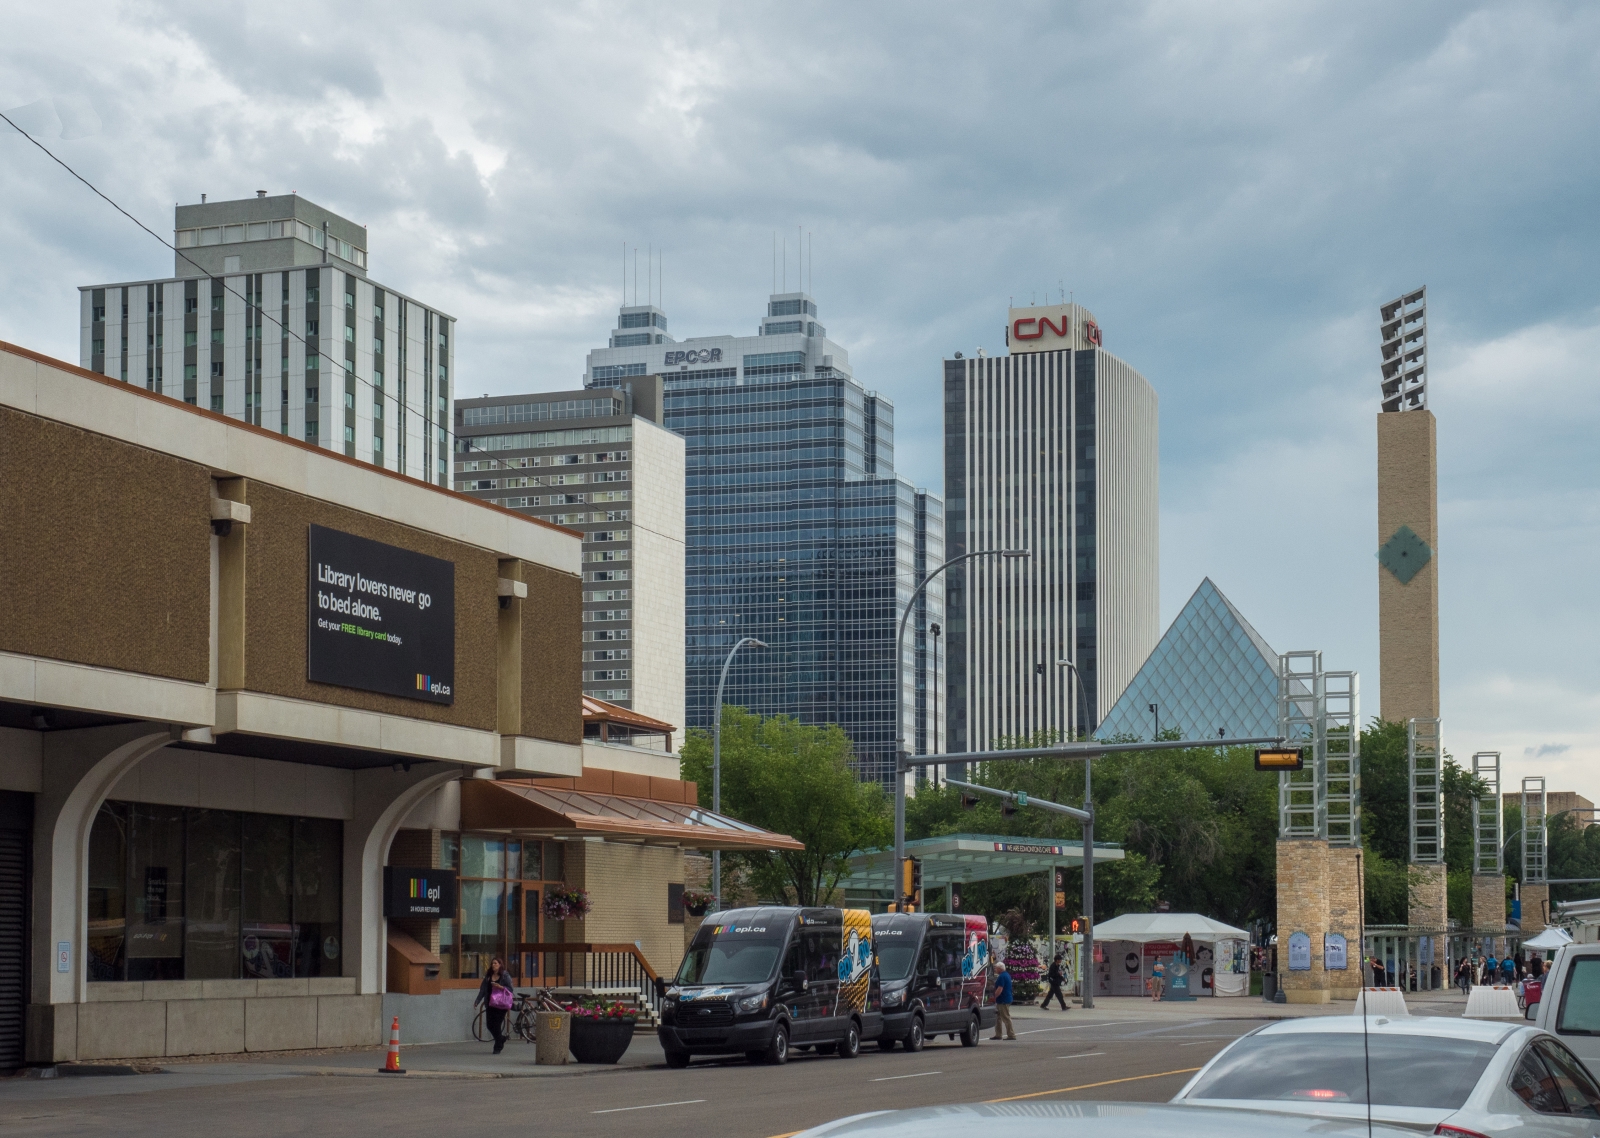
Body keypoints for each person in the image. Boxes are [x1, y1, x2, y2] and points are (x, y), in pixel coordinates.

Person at [476, 956, 515, 1054]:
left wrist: (501, 987)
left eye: (495, 963)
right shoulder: (488, 976)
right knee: (489, 1025)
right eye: (492, 963)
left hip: (501, 1004)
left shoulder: (505, 975)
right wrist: (478, 1000)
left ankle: (498, 1045)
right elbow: (483, 989)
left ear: (500, 965)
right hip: (490, 1003)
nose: (493, 965)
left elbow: (510, 989)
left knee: (497, 1025)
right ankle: (501, 1038)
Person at [992, 961, 1016, 1040]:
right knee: (998, 1017)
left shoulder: (1002, 977)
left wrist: (994, 997)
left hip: (1003, 1000)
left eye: (996, 968)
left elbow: (1000, 988)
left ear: (999, 968)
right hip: (1005, 998)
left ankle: (1011, 1035)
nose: (995, 969)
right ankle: (998, 1034)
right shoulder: (1006, 975)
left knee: (1005, 1017)